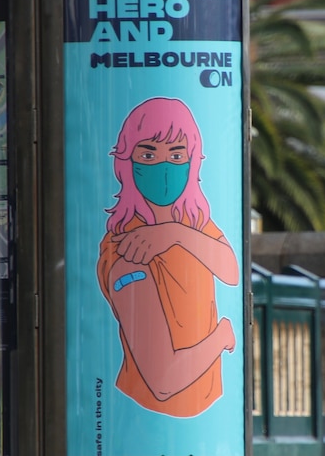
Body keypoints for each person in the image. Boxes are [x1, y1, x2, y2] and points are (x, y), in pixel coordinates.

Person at [97, 97, 239, 417]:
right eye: (148, 154)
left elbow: (231, 270)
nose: (164, 167)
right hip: (148, 414)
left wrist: (176, 233)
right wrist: (222, 336)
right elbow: (162, 381)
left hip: (208, 409)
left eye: (177, 154)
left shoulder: (190, 222)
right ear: (126, 162)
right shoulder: (128, 249)